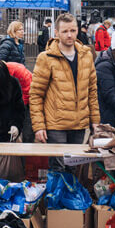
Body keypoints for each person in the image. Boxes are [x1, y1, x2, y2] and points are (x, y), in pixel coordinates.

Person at [29, 13, 99, 171]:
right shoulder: (46, 58)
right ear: (56, 32)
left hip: (79, 123)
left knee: (74, 167)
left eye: (73, 31)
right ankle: (58, 196)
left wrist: (95, 120)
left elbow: (92, 91)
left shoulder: (86, 55)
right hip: (56, 124)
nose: (70, 35)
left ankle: (71, 196)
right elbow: (36, 95)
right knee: (58, 167)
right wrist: (39, 126)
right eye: (65, 31)